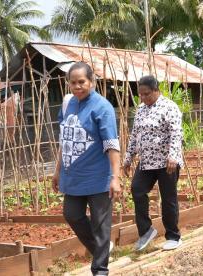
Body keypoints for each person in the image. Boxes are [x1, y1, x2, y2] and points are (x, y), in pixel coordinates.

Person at [52, 62, 121, 276]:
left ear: (91, 82)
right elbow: (65, 141)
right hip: (73, 177)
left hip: (98, 178)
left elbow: (112, 144)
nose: (77, 86)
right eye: (73, 83)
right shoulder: (68, 105)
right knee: (72, 215)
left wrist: (115, 177)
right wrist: (57, 171)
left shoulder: (103, 107)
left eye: (81, 82)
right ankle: (101, 248)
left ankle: (100, 270)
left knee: (101, 226)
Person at [123, 75, 183, 251]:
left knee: (168, 198)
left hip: (167, 162)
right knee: (137, 189)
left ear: (157, 90)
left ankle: (173, 236)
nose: (143, 98)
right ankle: (146, 231)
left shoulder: (169, 107)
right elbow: (135, 135)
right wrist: (128, 158)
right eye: (140, 94)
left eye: (146, 94)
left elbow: (176, 133)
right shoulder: (141, 109)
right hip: (147, 161)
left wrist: (173, 156)